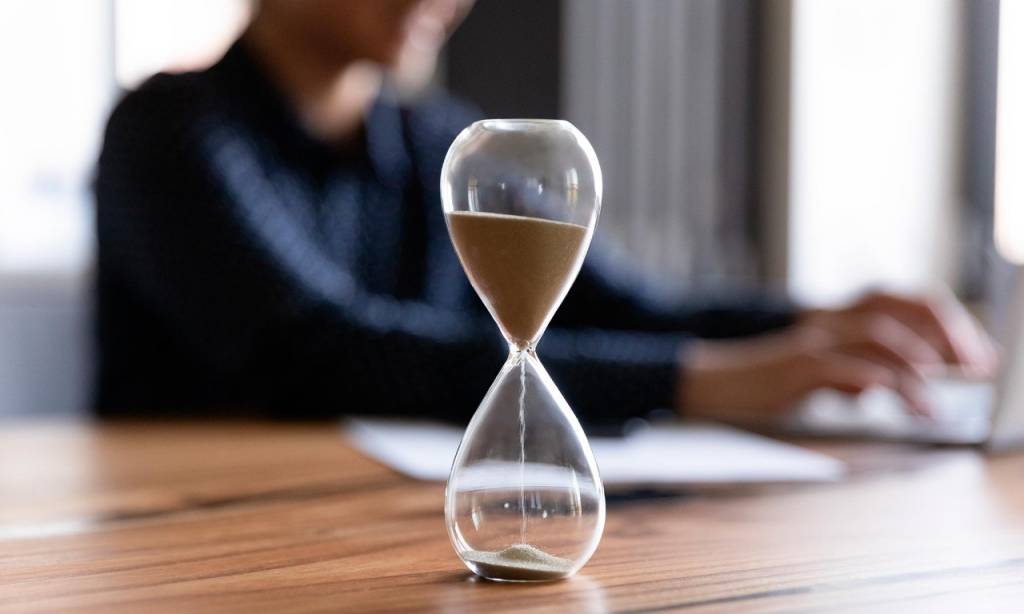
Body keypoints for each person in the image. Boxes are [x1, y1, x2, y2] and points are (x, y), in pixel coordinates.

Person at [94, 0, 996, 424]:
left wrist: (817, 323)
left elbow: (622, 304)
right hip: (207, 542)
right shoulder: (168, 131)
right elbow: (319, 353)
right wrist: (705, 380)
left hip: (390, 523)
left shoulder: (441, 143)